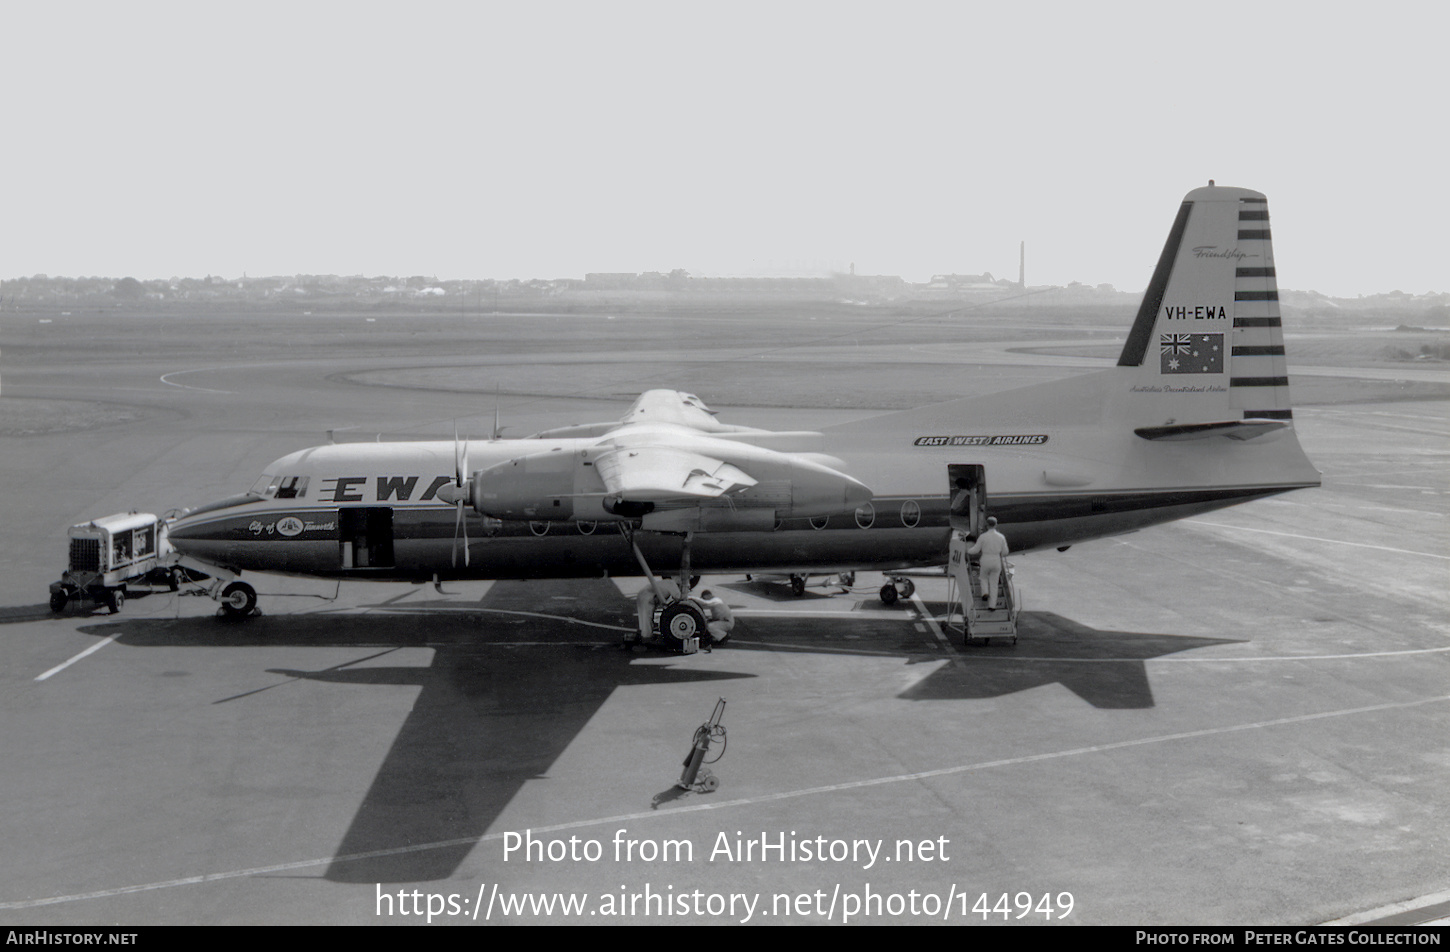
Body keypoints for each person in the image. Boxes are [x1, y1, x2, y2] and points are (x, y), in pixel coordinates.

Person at [967, 516, 1009, 610]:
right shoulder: (1001, 537)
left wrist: (968, 550)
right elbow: (1005, 552)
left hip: (985, 559)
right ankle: (992, 606)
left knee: (983, 578)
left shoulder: (983, 537)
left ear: (987, 525)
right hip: (996, 560)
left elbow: (976, 549)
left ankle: (985, 593)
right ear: (996, 525)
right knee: (994, 584)